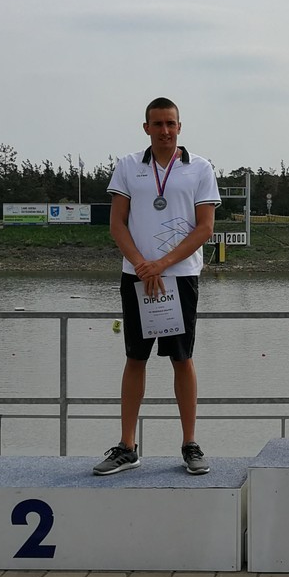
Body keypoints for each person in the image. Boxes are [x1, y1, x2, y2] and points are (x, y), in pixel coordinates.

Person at [93, 97, 221, 476]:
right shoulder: (128, 166)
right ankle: (127, 446)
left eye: (171, 123)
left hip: (179, 278)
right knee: (135, 358)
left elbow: (205, 228)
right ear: (146, 128)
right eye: (158, 124)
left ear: (179, 126)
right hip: (137, 277)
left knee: (182, 359)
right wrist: (141, 265)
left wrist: (161, 265)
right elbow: (117, 224)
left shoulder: (200, 168)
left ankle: (190, 444)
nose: (165, 130)